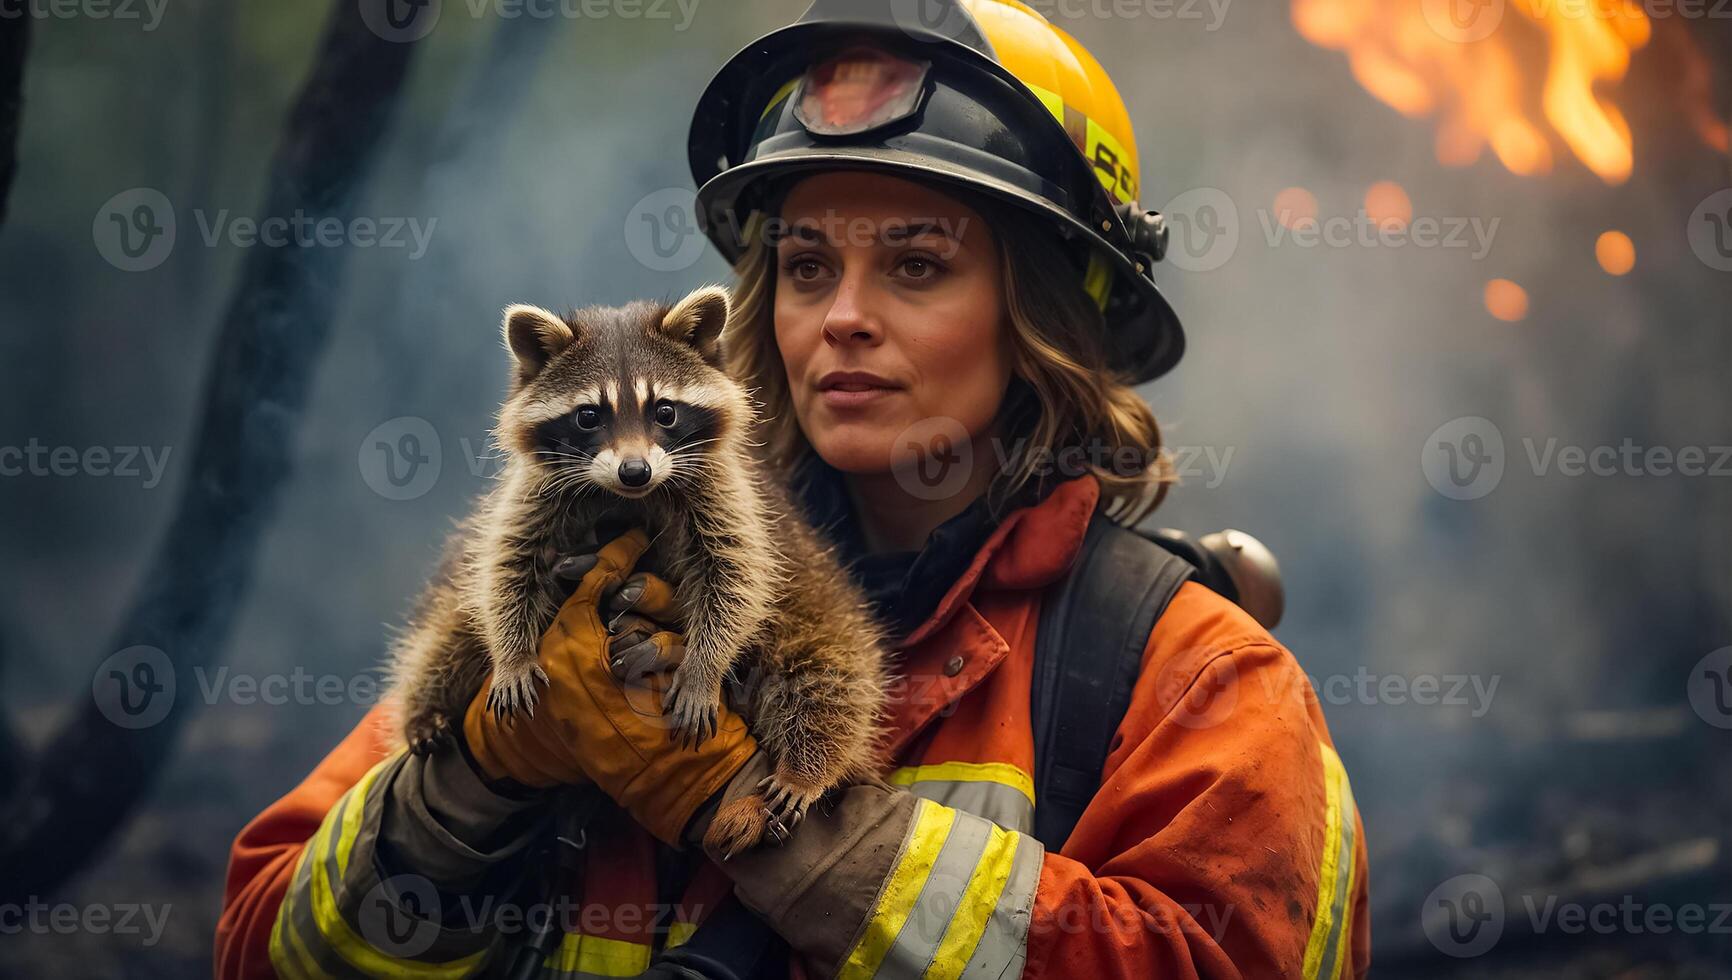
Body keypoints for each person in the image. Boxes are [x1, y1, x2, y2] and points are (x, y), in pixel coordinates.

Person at [216, 1, 1370, 977]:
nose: (842, 315)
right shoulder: (588, 577)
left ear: (1044, 319)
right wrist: (477, 772)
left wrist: (765, 813)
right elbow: (263, 936)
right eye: (808, 264)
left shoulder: (1193, 675)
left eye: (917, 264)